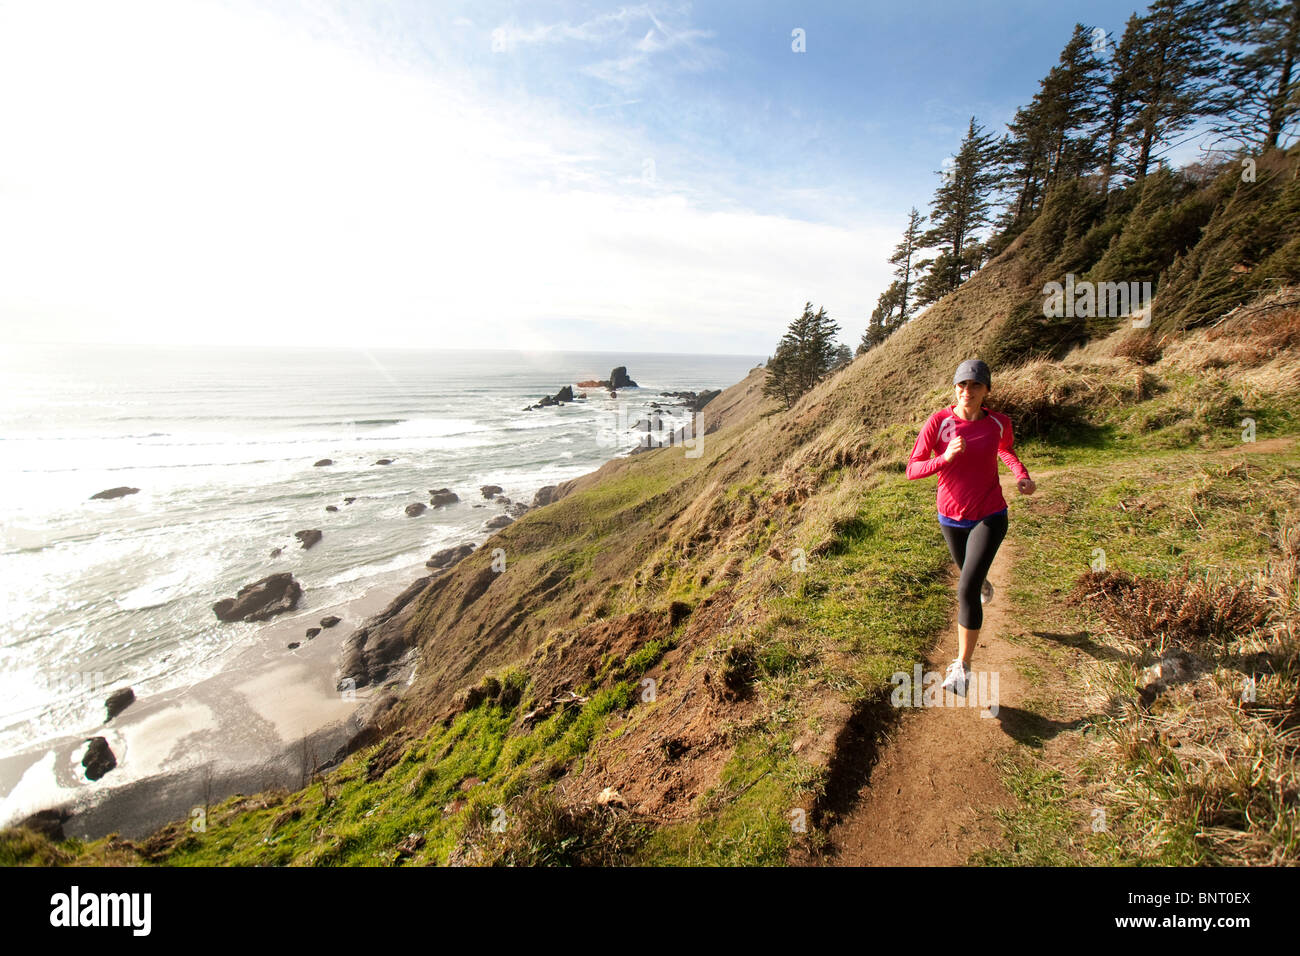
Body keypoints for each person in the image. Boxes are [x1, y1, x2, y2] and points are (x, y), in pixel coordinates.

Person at [905, 359, 1036, 695]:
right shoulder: (939, 422)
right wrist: (944, 458)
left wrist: (1020, 475)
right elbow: (913, 468)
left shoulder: (997, 423)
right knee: (971, 578)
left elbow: (1005, 450)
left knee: (965, 590)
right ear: (955, 389)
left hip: (990, 514)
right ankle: (981, 582)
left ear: (987, 390)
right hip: (950, 517)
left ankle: (962, 666)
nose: (968, 391)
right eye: (962, 385)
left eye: (975, 385)